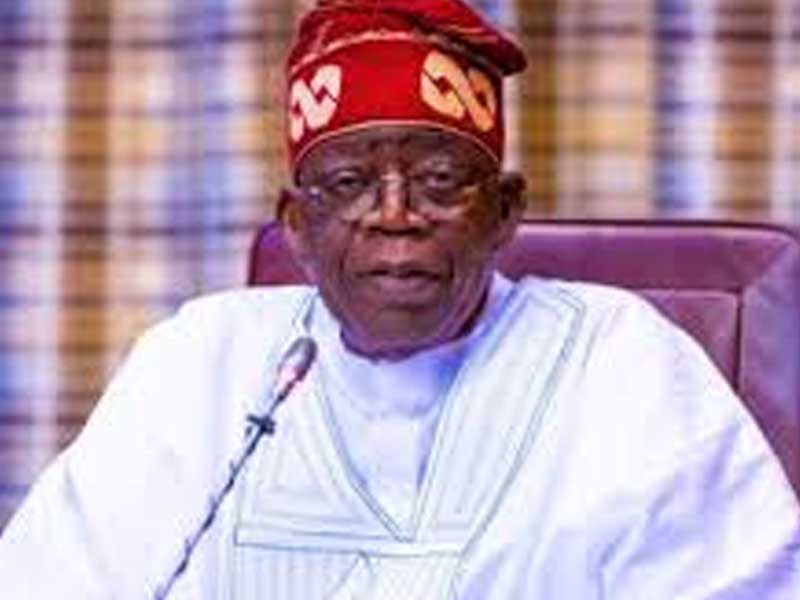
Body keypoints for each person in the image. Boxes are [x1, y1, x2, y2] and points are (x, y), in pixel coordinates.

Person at [1, 0, 799, 598]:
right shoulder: (201, 360)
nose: (394, 214)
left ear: (505, 211)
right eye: (349, 183)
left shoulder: (622, 361)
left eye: (440, 180)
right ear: (297, 225)